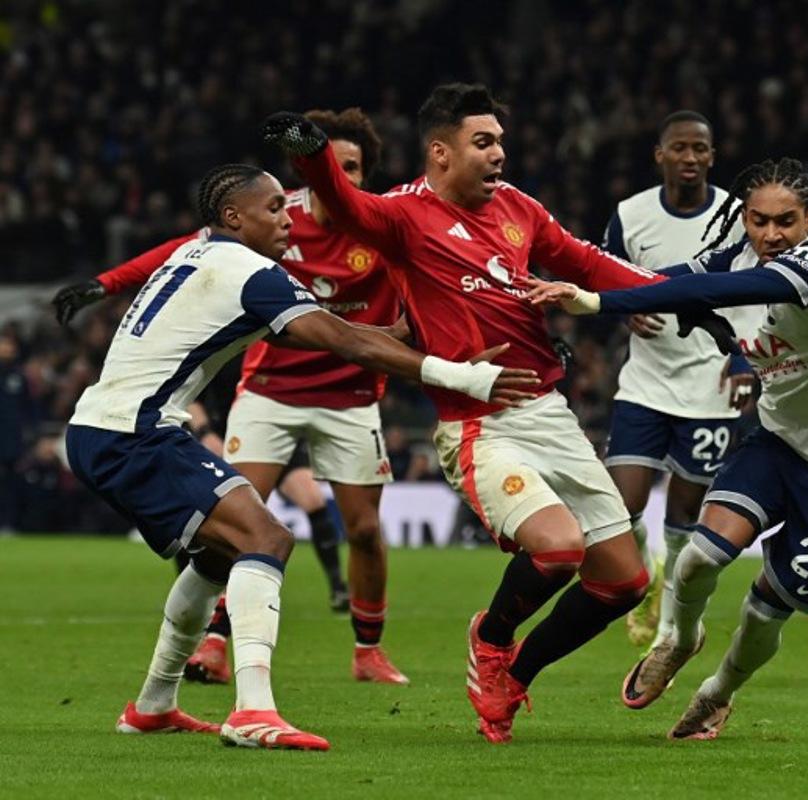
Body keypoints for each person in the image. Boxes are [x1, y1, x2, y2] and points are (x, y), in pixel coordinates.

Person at [265, 84, 740, 744]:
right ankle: (489, 639)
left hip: (549, 411)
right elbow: (342, 201)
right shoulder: (403, 216)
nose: (499, 155)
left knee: (625, 580)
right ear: (441, 153)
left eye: (501, 143)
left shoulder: (519, 208)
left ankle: (516, 674)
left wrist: (698, 298)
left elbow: (591, 264)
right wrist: (305, 146)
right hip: (479, 425)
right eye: (483, 143)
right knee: (557, 548)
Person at [64, 163, 537, 750]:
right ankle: (253, 712)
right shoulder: (248, 269)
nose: (287, 220)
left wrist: (405, 333)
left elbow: (314, 333)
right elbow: (342, 339)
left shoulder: (199, 256)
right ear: (233, 217)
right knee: (267, 539)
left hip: (108, 428)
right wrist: (460, 375)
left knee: (217, 557)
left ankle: (154, 705)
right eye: (273, 210)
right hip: (134, 434)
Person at [528, 157, 808, 740]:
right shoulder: (737, 256)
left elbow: (712, 288)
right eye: (759, 221)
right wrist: (568, 275)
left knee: (765, 605)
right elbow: (660, 283)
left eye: (786, 221)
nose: (772, 235)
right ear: (745, 219)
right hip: (780, 441)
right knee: (700, 556)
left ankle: (718, 692)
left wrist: (598, 304)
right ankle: (680, 638)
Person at [54, 109, 414, 685]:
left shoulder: (380, 228)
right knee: (246, 529)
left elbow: (413, 295)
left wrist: (420, 336)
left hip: (348, 393)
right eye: (331, 165)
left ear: (365, 175)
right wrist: (108, 283)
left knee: (363, 529)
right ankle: (226, 659)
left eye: (352, 169)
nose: (339, 178)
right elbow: (185, 246)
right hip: (269, 388)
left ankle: (366, 650)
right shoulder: (273, 221)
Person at [601, 110, 756, 648]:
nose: (690, 158)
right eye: (680, 149)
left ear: (712, 157)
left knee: (685, 512)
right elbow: (607, 277)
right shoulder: (630, 214)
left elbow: (756, 287)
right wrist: (623, 312)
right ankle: (647, 582)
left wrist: (743, 357)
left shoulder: (739, 216)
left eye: (700, 150)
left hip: (709, 387)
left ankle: (669, 621)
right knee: (622, 507)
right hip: (644, 382)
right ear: (660, 155)